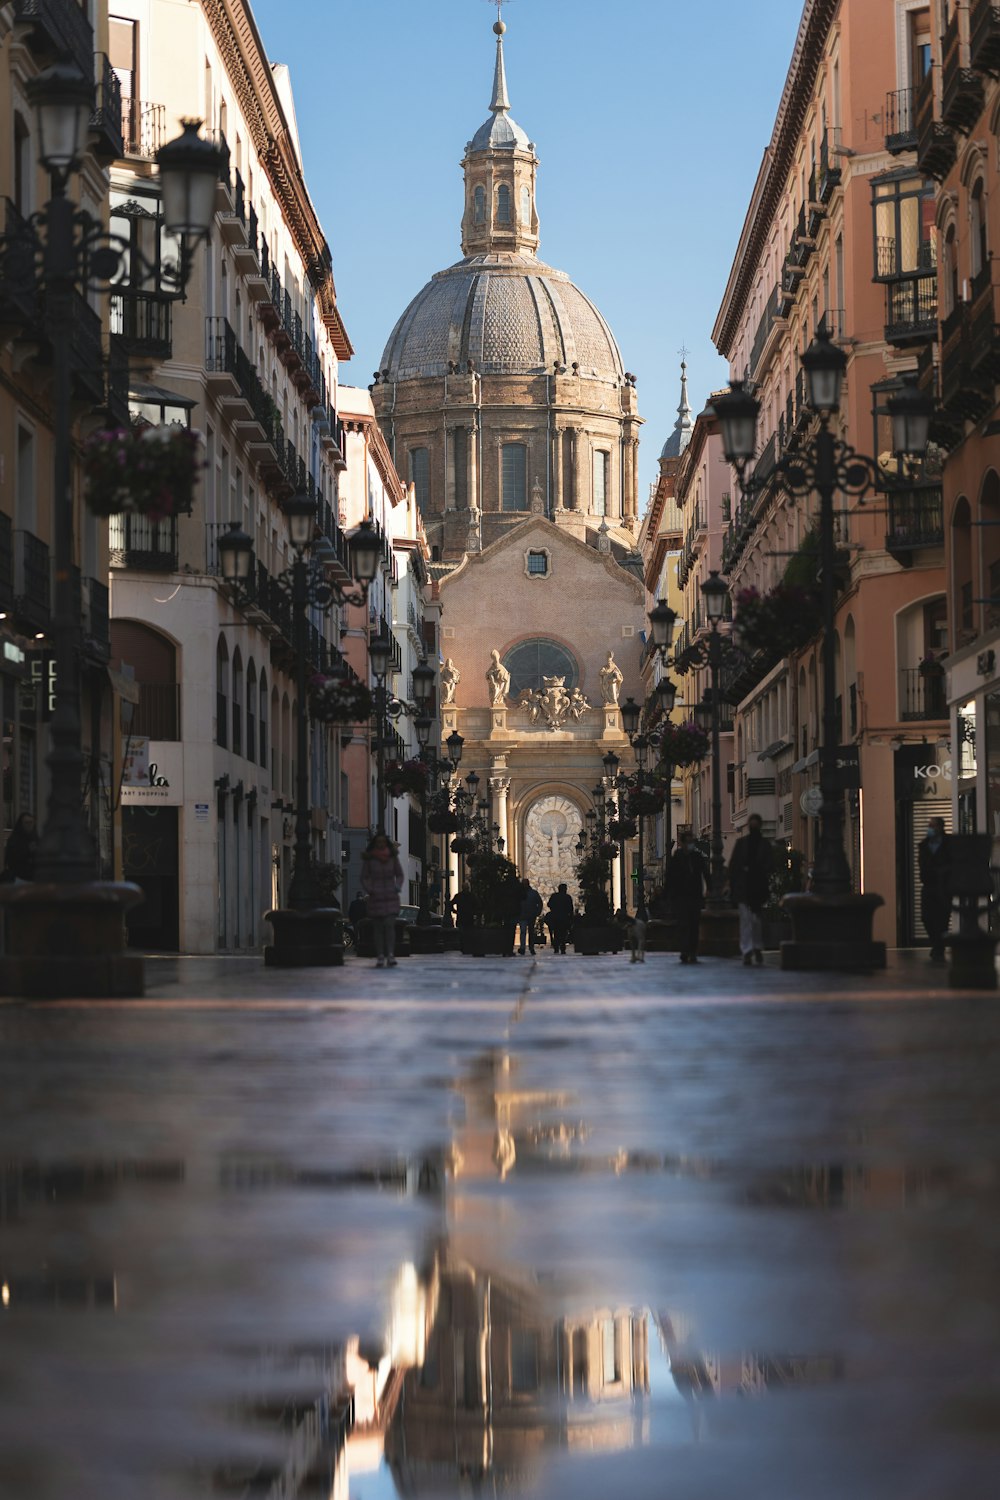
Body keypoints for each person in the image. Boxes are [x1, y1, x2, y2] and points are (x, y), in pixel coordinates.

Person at [727, 813, 774, 966]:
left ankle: (757, 947)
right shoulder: (742, 844)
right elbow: (733, 866)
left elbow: (769, 865)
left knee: (755, 921)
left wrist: (758, 871)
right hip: (743, 888)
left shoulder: (764, 845)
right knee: (746, 921)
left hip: (757, 888)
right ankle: (747, 951)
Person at [359, 833, 404, 968]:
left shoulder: (392, 858)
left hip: (390, 896)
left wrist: (397, 886)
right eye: (378, 842)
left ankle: (390, 954)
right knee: (378, 928)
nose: (381, 844)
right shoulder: (370, 859)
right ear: (375, 843)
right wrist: (370, 888)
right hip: (376, 896)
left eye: (383, 842)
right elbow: (364, 876)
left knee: (389, 926)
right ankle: (380, 955)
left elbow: (400, 874)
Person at [665, 830, 709, 964]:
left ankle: (693, 951)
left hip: (695, 896)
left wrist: (710, 888)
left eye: (692, 842)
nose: (690, 845)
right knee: (684, 925)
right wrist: (669, 895)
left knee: (694, 925)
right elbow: (670, 877)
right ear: (682, 843)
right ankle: (685, 950)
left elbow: (705, 872)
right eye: (688, 842)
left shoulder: (697, 857)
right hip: (681, 897)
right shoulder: (677, 857)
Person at [918, 815, 952, 961]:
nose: (930, 829)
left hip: (944, 887)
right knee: (926, 917)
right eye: (929, 826)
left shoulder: (949, 843)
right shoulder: (924, 845)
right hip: (928, 885)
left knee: (942, 918)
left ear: (940, 827)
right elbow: (922, 864)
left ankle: (938, 947)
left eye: (932, 826)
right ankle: (937, 943)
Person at [2, 813, 37, 883]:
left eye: (31, 822)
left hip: (34, 878)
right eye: (26, 822)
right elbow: (11, 860)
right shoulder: (14, 839)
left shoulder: (35, 837)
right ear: (21, 824)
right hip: (19, 878)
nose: (29, 825)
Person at [516, 878, 543, 955]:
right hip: (523, 915)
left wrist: (537, 912)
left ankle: (530, 947)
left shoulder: (533, 893)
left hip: (530, 915)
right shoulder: (528, 893)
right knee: (524, 931)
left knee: (529, 932)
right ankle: (523, 948)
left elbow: (539, 903)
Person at [546, 883, 574, 954]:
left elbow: (549, 904)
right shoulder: (567, 897)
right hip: (564, 918)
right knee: (563, 933)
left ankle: (556, 947)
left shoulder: (554, 896)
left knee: (556, 932)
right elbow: (570, 908)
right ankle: (562, 947)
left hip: (555, 917)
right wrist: (571, 917)